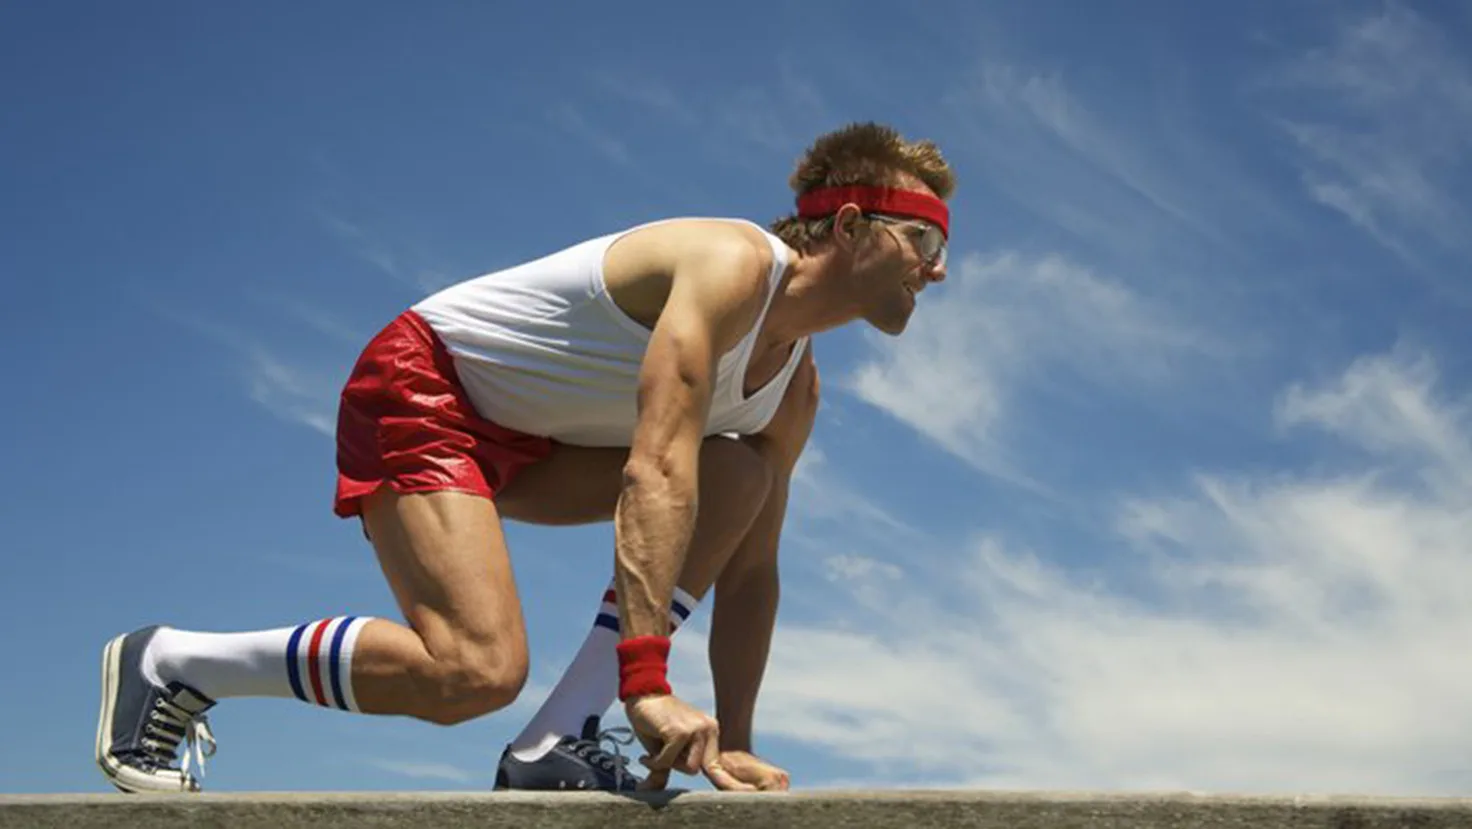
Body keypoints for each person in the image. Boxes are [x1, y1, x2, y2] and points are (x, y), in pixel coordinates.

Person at [94, 121, 954, 795]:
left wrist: (735, 737)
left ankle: (556, 738)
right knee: (474, 670)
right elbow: (654, 470)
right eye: (925, 243)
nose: (937, 271)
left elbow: (753, 571)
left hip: (542, 441)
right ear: (849, 225)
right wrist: (644, 681)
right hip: (428, 385)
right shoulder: (730, 264)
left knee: (742, 474)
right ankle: (173, 662)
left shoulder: (794, 392)